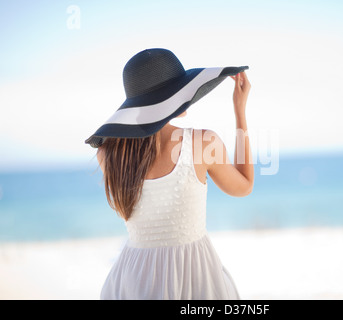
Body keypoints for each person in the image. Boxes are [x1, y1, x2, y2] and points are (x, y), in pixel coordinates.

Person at [85, 48, 253, 299]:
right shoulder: (203, 142)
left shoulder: (107, 155)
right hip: (193, 274)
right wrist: (240, 111)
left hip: (132, 278)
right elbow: (244, 186)